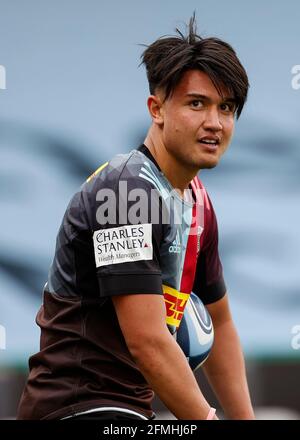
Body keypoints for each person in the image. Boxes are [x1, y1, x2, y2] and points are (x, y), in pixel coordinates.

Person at [17, 14, 255, 420]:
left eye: (226, 108)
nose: (214, 123)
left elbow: (222, 322)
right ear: (157, 108)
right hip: (76, 408)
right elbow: (147, 341)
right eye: (196, 103)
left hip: (128, 411)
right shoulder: (126, 192)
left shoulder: (198, 202)